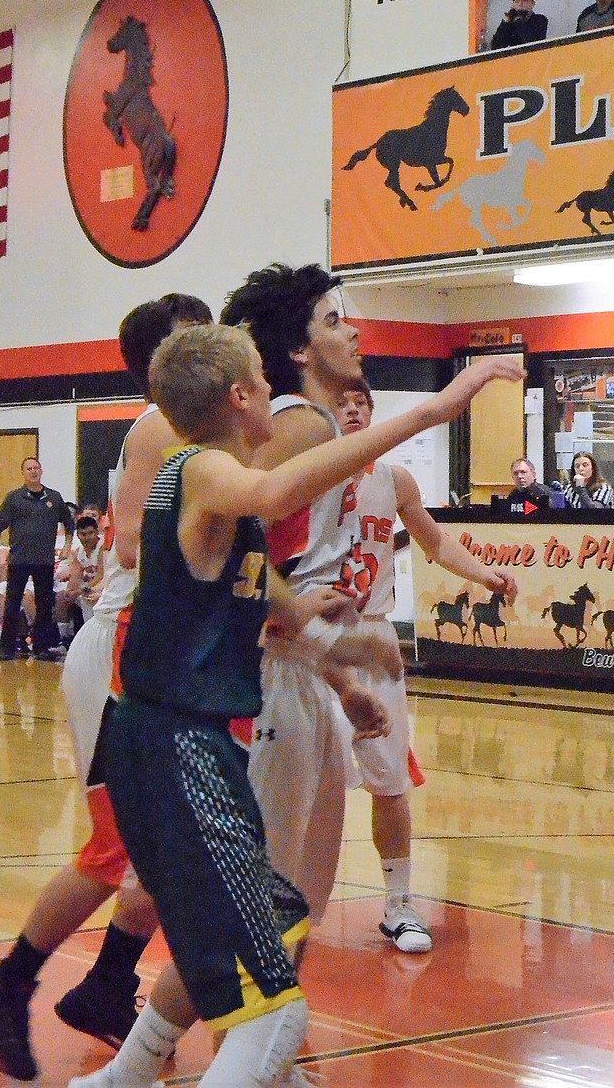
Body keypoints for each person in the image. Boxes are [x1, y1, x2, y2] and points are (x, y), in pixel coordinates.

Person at [67, 321, 441, 1088]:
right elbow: (269, 506)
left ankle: (123, 1074)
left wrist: (336, 657)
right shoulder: (210, 469)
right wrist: (436, 410)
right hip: (192, 739)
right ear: (244, 394)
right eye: (265, 383)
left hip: (184, 732)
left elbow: (269, 603)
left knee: (266, 927)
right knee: (268, 979)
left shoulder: (212, 490)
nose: (276, 393)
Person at [220, 263, 524, 930]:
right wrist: (315, 628)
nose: (353, 330)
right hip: (273, 673)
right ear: (299, 351)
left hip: (312, 665)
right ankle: (192, 1030)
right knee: (267, 898)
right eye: (333, 321)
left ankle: (276, 1013)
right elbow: (226, 546)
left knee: (303, 893)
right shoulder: (301, 424)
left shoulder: (326, 435)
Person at [0, 295, 212, 1084]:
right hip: (124, 648)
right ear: (163, 360)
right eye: (194, 337)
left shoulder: (190, 425)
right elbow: (130, 543)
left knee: (154, 854)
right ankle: (16, 982)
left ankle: (105, 983)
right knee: (116, 849)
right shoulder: (162, 425)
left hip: (151, 650)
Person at [338, 379, 518, 955]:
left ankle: (398, 904)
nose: (352, 410)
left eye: (361, 402)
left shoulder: (393, 481)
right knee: (297, 784)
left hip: (372, 636)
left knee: (389, 781)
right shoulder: (303, 473)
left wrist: (485, 574)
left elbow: (436, 543)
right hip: (311, 641)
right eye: (341, 402)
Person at [0, 457, 74, 661]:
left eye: (36, 468)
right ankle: (7, 648)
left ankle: (41, 647)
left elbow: (69, 523)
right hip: (19, 560)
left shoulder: (54, 498)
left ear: (41, 471)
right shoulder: (13, 498)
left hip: (44, 561)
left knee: (44, 605)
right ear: (23, 473)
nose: (33, 471)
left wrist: (66, 546)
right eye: (29, 468)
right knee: (12, 603)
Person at [54, 512, 103, 648]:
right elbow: (75, 577)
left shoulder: (103, 547)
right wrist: (69, 592)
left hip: (104, 587)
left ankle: (91, 641)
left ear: (97, 532)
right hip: (88, 586)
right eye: (83, 534)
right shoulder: (78, 552)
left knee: (87, 596)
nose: (87, 537)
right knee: (62, 597)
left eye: (90, 533)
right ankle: (65, 639)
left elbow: (101, 576)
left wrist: (79, 591)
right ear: (78, 535)